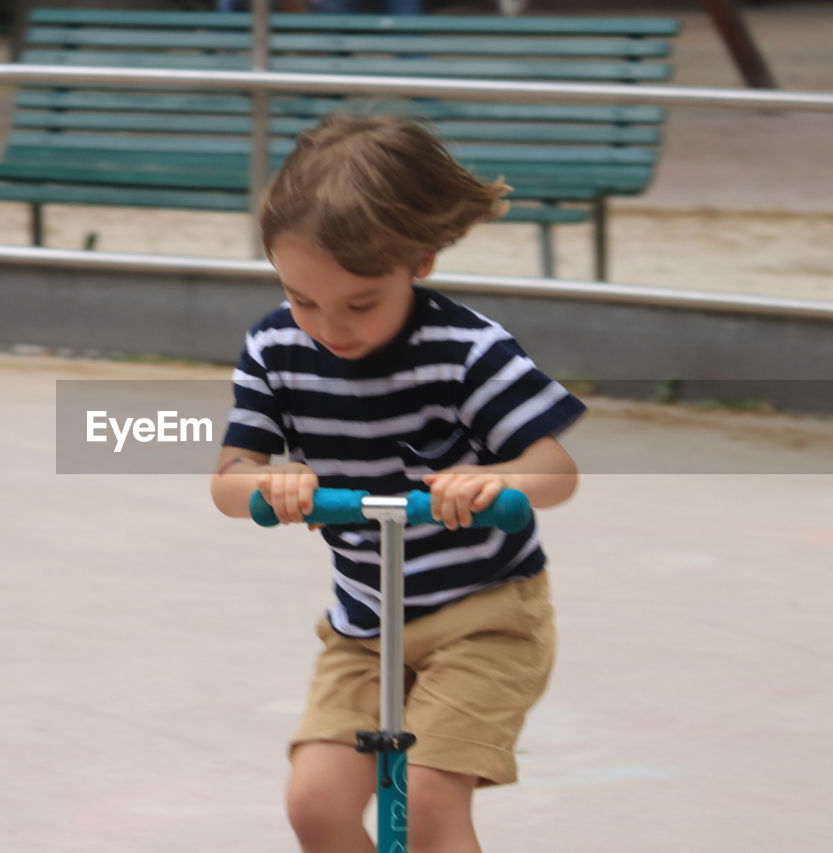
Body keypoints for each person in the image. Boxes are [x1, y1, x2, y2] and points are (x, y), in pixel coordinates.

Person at [209, 113, 585, 853]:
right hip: (364, 624)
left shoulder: (467, 350)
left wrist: (491, 483)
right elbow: (229, 478)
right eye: (302, 297)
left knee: (424, 803)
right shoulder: (275, 346)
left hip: (485, 618)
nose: (329, 327)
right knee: (316, 803)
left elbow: (555, 471)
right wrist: (270, 483)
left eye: (359, 303)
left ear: (422, 260)